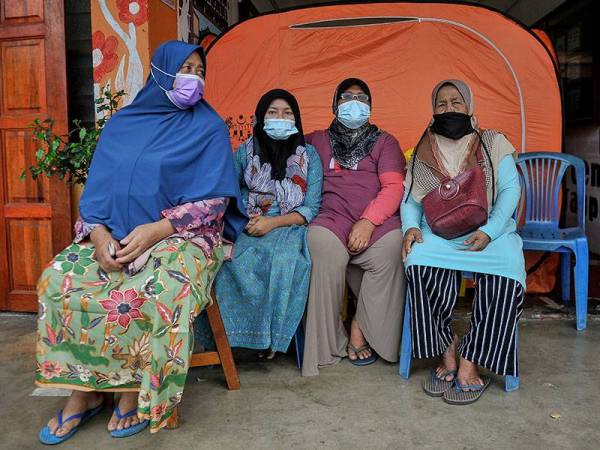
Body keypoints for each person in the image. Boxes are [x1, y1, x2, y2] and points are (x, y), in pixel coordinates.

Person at [36, 41, 247, 443]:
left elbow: (216, 202)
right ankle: (84, 391)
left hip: (183, 236)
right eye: (185, 68)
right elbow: (96, 195)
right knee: (57, 280)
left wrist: (158, 230)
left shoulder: (209, 127)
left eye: (200, 71)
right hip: (112, 233)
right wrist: (97, 235)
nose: (194, 78)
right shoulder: (122, 124)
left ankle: (133, 390)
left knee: (156, 288)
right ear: (162, 72)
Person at [401, 79, 525, 405]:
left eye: (456, 102)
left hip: (490, 232)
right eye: (441, 104)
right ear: (432, 110)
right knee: (417, 261)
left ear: (469, 106)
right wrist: (411, 228)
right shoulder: (423, 148)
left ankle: (471, 358)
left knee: (508, 272)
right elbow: (411, 200)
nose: (449, 109)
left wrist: (490, 231)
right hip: (442, 233)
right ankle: (447, 350)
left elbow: (511, 190)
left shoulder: (493, 141)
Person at [302, 78, 406, 376]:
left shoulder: (385, 142)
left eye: (362, 98)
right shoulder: (316, 140)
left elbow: (393, 187)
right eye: (347, 97)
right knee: (321, 247)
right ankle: (328, 343)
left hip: (375, 221)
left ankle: (360, 328)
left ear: (371, 106)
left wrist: (368, 221)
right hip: (331, 218)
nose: (354, 102)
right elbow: (282, 155)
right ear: (334, 104)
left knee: (394, 247)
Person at [210, 89, 322, 358]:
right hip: (247, 224)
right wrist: (240, 220)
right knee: (228, 263)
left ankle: (270, 340)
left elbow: (311, 206)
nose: (280, 118)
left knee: (283, 262)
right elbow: (229, 192)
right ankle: (233, 341)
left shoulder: (309, 155)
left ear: (296, 118)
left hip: (289, 226)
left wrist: (272, 224)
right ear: (260, 118)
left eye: (287, 113)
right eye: (272, 113)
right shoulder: (244, 152)